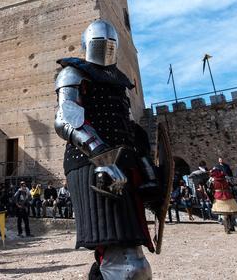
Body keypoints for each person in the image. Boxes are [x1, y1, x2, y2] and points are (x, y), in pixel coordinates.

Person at [54, 19, 165, 279]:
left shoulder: (118, 81)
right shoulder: (73, 73)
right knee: (127, 264)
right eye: (100, 43)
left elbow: (127, 130)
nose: (106, 48)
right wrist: (102, 157)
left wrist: (148, 172)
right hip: (90, 163)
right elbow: (66, 119)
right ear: (87, 46)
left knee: (125, 259)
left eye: (110, 43)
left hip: (123, 165)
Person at [207, 168, 237, 234]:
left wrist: (212, 198)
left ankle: (227, 229)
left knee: (224, 214)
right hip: (228, 195)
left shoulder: (211, 179)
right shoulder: (226, 178)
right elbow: (232, 185)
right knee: (236, 212)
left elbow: (209, 189)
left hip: (218, 197)